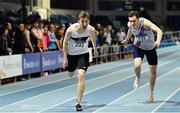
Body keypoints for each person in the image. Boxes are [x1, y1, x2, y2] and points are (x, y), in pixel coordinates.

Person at [121, 11, 163, 102]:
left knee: (153, 71)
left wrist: (158, 41)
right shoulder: (130, 24)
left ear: (138, 18)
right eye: (130, 21)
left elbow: (159, 31)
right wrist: (127, 39)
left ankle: (151, 93)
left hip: (150, 48)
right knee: (137, 65)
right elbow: (130, 30)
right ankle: (138, 77)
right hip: (138, 46)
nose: (132, 23)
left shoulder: (146, 23)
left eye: (134, 21)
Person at [62, 11, 98, 111]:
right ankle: (71, 70)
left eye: (86, 21)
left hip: (83, 54)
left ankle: (78, 102)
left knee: (81, 75)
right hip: (72, 56)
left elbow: (93, 38)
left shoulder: (90, 29)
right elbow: (64, 44)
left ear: (89, 21)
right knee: (70, 74)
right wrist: (65, 58)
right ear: (79, 21)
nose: (84, 24)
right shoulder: (70, 30)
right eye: (82, 21)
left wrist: (95, 49)